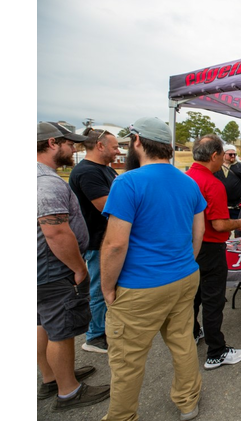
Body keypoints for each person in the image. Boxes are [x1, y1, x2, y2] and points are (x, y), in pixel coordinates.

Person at [100, 117, 206, 421]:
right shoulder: (188, 181)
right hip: (184, 276)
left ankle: (122, 416)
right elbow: (198, 232)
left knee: (127, 359)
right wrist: (185, 261)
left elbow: (115, 244)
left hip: (141, 285)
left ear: (137, 141)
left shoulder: (127, 182)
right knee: (183, 342)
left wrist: (107, 287)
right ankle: (188, 402)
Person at [37, 122, 110, 410]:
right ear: (52, 143)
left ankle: (52, 377)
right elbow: (56, 232)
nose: (74, 148)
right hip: (52, 269)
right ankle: (69, 392)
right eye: (69, 143)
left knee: (42, 324)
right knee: (61, 331)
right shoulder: (47, 182)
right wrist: (79, 268)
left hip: (41, 269)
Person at [186, 135, 241, 371]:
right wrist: (239, 223)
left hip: (188, 248)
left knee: (193, 296)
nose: (224, 159)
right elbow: (220, 224)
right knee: (213, 300)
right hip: (211, 248)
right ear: (214, 156)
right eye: (223, 155)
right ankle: (216, 352)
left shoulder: (185, 178)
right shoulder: (212, 184)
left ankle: (193, 332)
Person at [69, 127, 121, 354]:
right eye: (115, 147)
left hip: (106, 240)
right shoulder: (87, 172)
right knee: (99, 289)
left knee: (106, 287)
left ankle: (104, 329)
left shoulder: (105, 169)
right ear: (100, 146)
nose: (118, 151)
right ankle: (95, 336)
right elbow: (108, 206)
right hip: (97, 242)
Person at [214, 144, 241, 237]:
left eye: (234, 154)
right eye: (230, 154)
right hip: (221, 206)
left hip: (237, 206)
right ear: (224, 154)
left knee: (240, 231)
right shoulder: (216, 166)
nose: (233, 156)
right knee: (223, 232)